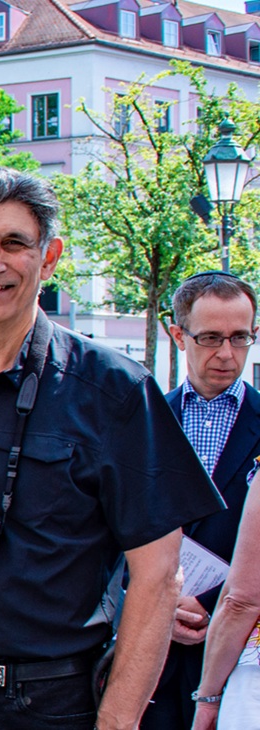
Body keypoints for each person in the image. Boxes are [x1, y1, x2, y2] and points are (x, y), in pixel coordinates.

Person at [0, 167, 221, 729]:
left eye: (13, 243)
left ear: (49, 256)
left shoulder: (115, 390)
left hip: (52, 704)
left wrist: (118, 723)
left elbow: (157, 578)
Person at [171, 273, 260, 730]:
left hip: (242, 660)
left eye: (240, 338)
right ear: (178, 335)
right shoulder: (143, 420)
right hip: (154, 650)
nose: (227, 354)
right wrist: (145, 602)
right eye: (209, 338)